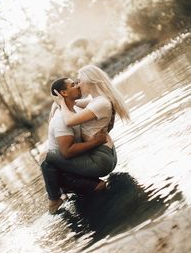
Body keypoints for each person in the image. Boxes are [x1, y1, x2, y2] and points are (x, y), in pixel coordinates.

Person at [42, 65, 130, 214]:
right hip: (105, 153)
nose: (78, 84)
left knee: (45, 158)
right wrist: (57, 103)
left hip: (101, 158)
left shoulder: (100, 103)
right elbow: (74, 103)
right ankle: (74, 189)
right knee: (53, 164)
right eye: (75, 84)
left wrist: (61, 102)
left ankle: (54, 200)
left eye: (80, 81)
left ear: (90, 81)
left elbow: (70, 120)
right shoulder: (96, 100)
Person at [41, 77, 109, 214]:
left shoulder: (75, 110)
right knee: (100, 186)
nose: (78, 86)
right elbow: (67, 151)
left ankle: (63, 191)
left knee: (100, 186)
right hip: (64, 169)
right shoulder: (61, 119)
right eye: (73, 85)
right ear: (64, 93)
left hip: (72, 164)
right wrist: (95, 142)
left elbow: (98, 102)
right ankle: (57, 195)